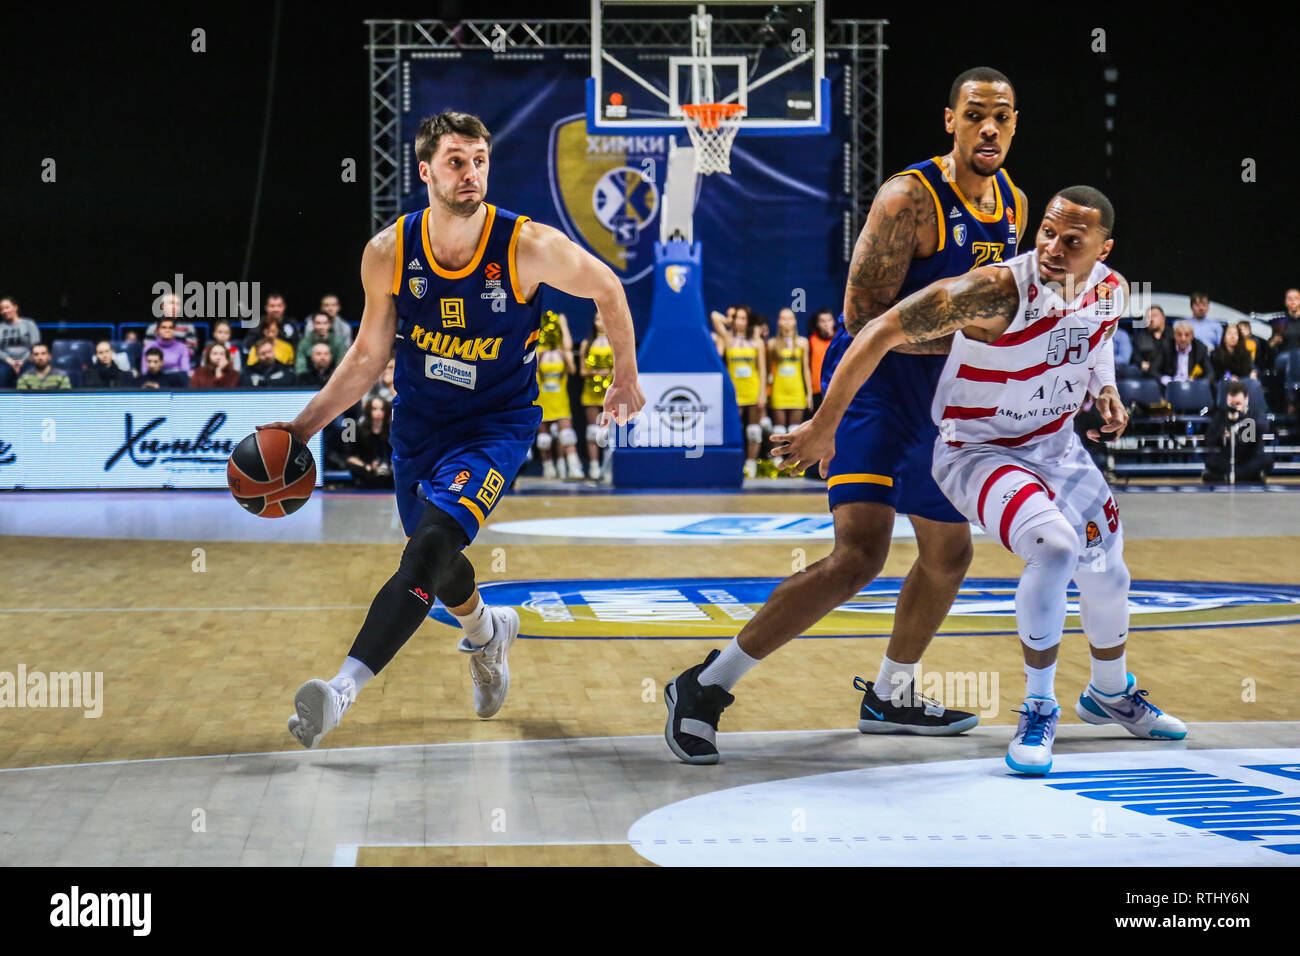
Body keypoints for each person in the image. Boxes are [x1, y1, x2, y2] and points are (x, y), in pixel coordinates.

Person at [665, 67, 1027, 763]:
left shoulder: (1013, 203)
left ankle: (892, 693)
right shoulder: (907, 200)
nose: (989, 127)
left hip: (939, 393)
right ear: (949, 120)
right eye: (975, 114)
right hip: (873, 381)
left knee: (950, 553)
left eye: (1002, 116)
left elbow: (999, 320)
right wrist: (826, 421)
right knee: (858, 555)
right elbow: (864, 321)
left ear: (1015, 124)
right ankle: (705, 686)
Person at [263, 110, 643, 749]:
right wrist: (302, 430)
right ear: (425, 171)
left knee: (430, 548)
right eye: (456, 162)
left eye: (479, 161)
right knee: (437, 562)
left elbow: (608, 288)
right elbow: (365, 357)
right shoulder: (388, 252)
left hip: (497, 423)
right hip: (420, 424)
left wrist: (624, 377)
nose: (471, 174)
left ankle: (340, 690)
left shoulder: (527, 245)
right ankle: (488, 633)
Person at [775, 186, 1186, 775]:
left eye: (1072, 241)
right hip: (978, 450)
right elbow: (879, 330)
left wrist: (1107, 390)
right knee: (1057, 548)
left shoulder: (1111, 289)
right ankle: (1038, 708)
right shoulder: (996, 290)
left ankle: (1109, 692)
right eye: (1046, 231)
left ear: (1103, 248)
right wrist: (823, 424)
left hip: (1056, 446)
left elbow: (1093, 346)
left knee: (1109, 568)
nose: (1052, 247)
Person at [533, 311, 583, 479]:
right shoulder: (538, 352)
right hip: (543, 400)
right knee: (544, 439)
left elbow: (571, 360)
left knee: (567, 436)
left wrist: (563, 324)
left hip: (560, 400)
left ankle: (573, 467)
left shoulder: (563, 352)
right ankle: (548, 468)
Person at [722, 306, 765, 479]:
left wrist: (762, 394)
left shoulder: (757, 342)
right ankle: (735, 462)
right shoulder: (727, 339)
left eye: (743, 318)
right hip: (734, 391)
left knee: (754, 430)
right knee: (735, 428)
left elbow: (762, 370)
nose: (740, 321)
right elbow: (715, 317)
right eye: (737, 318)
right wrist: (728, 321)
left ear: (749, 321)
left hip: (752, 389)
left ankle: (751, 464)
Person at [1203, 381, 1270, 484]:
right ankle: (1245, 476)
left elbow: (1261, 431)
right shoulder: (1221, 414)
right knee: (1210, 461)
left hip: (1248, 458)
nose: (1234, 408)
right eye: (1231, 404)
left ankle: (1228, 476)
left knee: (1266, 460)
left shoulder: (1254, 414)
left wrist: (1242, 419)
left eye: (1238, 404)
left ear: (1246, 399)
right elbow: (1209, 439)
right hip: (1227, 459)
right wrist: (1223, 433)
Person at [578, 310, 615, 480]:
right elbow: (582, 370)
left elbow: (619, 369)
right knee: (593, 431)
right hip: (591, 392)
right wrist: (595, 372)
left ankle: (609, 467)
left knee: (611, 432)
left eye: (603, 319)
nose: (600, 323)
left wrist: (608, 372)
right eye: (597, 320)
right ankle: (594, 466)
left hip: (610, 392)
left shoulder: (615, 343)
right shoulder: (587, 343)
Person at [767, 308, 813, 441]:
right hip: (778, 390)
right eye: (783, 318)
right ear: (779, 322)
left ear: (795, 321)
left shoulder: (803, 342)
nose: (787, 322)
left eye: (790, 318)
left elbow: (806, 369)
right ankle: (776, 459)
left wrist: (808, 393)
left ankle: (794, 461)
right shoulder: (772, 344)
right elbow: (768, 370)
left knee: (795, 431)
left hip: (796, 391)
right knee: (778, 430)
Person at [345, 396, 396, 488]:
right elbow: (350, 457)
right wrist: (366, 466)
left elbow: (397, 452)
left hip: (389, 470)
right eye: (375, 409)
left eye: (382, 409)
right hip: (367, 468)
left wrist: (392, 465)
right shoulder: (358, 430)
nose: (378, 412)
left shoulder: (392, 430)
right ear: (369, 410)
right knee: (354, 467)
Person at [1153, 320, 1213, 385]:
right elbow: (1153, 369)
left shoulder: (1200, 348)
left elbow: (1210, 373)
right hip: (1170, 387)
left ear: (1192, 336)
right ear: (1174, 335)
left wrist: (1199, 383)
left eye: (1187, 335)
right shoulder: (1166, 347)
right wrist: (1164, 379)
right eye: (1179, 335)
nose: (1183, 339)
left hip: (1193, 387)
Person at [0, 296, 41, 375]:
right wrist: (10, 361)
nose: (4, 311)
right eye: (1, 309)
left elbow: (35, 346)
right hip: (6, 362)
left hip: (27, 362)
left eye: (7, 307)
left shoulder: (29, 323)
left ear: (15, 308)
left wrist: (23, 361)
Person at [808, 309, 836, 413]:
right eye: (822, 321)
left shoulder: (840, 340)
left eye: (829, 320)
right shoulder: (811, 341)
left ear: (833, 322)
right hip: (817, 391)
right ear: (817, 324)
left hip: (836, 388)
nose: (826, 324)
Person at [1131, 305, 1170, 377]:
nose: (1151, 319)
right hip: (1148, 374)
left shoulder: (1173, 335)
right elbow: (1136, 355)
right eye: (1148, 317)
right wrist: (1141, 363)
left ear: (1163, 318)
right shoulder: (1140, 337)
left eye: (1154, 316)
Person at [1268, 288, 1300, 353]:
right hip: (1285, 357)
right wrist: (1275, 341)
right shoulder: (1279, 321)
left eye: (1296, 299)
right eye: (1289, 299)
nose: (1293, 301)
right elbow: (1270, 346)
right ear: (1285, 302)